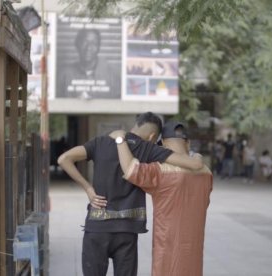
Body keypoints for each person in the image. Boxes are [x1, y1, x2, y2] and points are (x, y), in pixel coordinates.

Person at [57, 112, 203, 276]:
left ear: (136, 125)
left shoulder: (101, 142)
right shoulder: (149, 148)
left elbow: (64, 159)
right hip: (127, 232)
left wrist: (88, 188)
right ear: (153, 135)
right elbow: (194, 165)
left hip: (97, 229)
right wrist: (196, 154)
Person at [109, 121, 213, 276]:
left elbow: (131, 169)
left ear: (163, 143)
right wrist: (197, 155)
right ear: (188, 142)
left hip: (167, 246)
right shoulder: (206, 172)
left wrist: (120, 140)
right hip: (193, 248)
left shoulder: (161, 170)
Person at [57, 28, 121, 99]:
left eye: (94, 43)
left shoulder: (112, 76)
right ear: (77, 45)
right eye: (85, 42)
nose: (88, 47)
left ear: (98, 48)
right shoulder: (64, 75)